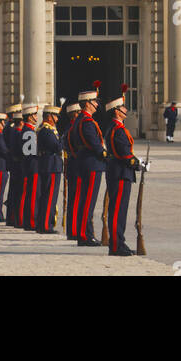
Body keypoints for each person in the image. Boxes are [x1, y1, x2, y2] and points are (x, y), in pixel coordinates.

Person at [104, 92, 147, 257]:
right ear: (116, 111)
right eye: (123, 108)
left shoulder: (116, 128)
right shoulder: (118, 130)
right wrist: (139, 165)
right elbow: (124, 154)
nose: (126, 110)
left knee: (119, 209)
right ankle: (116, 245)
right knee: (118, 211)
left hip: (119, 172)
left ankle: (118, 242)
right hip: (121, 173)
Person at [73, 84, 106, 247]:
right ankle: (85, 235)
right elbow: (96, 145)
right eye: (95, 101)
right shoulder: (86, 122)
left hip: (85, 162)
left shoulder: (81, 120)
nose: (97, 105)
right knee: (88, 202)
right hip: (92, 164)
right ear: (87, 103)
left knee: (86, 200)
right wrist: (108, 156)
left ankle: (86, 233)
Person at [36, 104, 62, 234]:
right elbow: (56, 146)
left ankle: (44, 223)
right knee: (49, 197)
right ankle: (45, 225)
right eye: (55, 116)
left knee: (47, 196)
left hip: (50, 164)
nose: (57, 118)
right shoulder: (46, 130)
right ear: (49, 117)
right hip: (50, 165)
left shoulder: (47, 129)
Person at [18, 103, 40, 231]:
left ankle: (30, 221)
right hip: (33, 165)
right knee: (32, 195)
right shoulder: (28, 131)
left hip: (30, 165)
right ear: (30, 117)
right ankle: (31, 221)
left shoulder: (28, 130)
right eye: (35, 115)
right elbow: (32, 151)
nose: (36, 117)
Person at [63, 103, 81, 239]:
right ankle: (74, 230)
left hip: (73, 164)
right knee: (75, 200)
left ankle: (73, 230)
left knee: (75, 199)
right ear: (74, 114)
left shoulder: (72, 127)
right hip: (76, 165)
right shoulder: (73, 128)